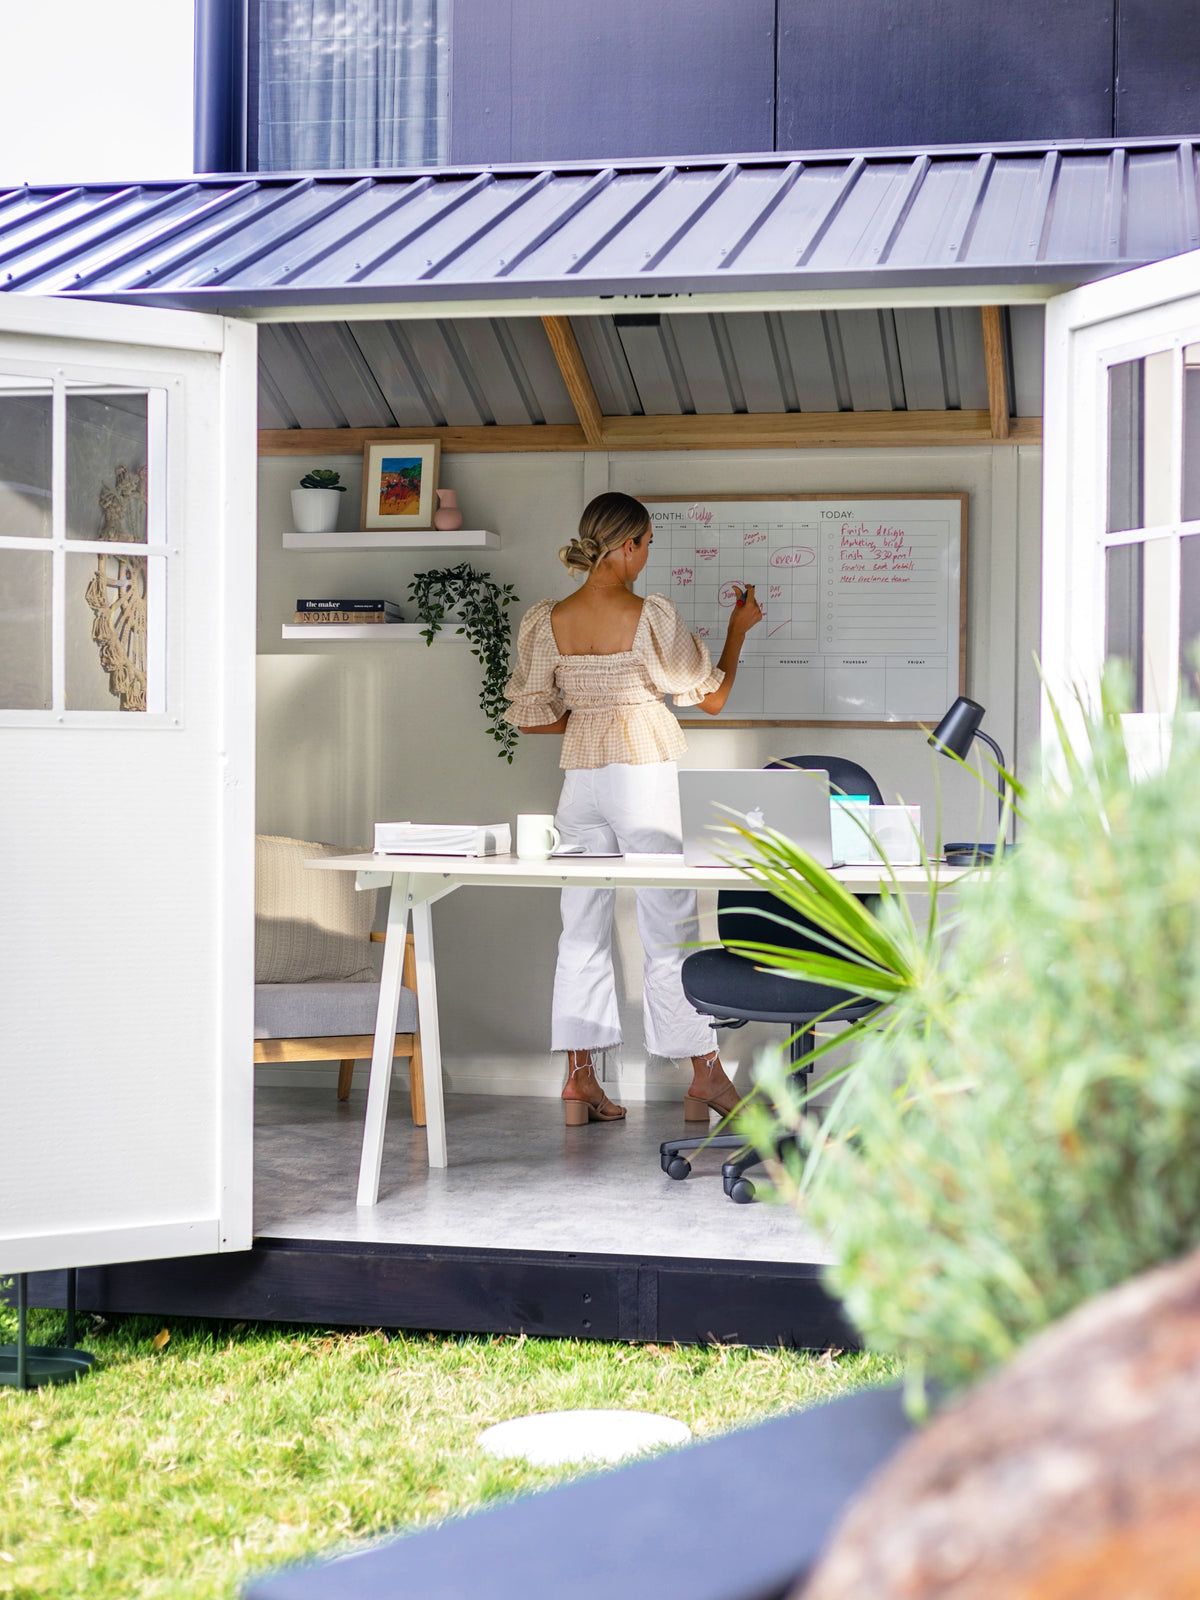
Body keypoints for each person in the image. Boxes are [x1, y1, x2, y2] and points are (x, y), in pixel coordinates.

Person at [503, 491, 763, 1126]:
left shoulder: (548, 619)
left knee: (580, 928)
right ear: (626, 545)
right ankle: (704, 1076)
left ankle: (579, 1080)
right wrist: (737, 632)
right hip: (641, 774)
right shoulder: (650, 615)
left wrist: (592, 713)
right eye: (646, 544)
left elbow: (532, 716)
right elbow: (713, 699)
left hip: (581, 784)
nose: (648, 556)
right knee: (669, 928)